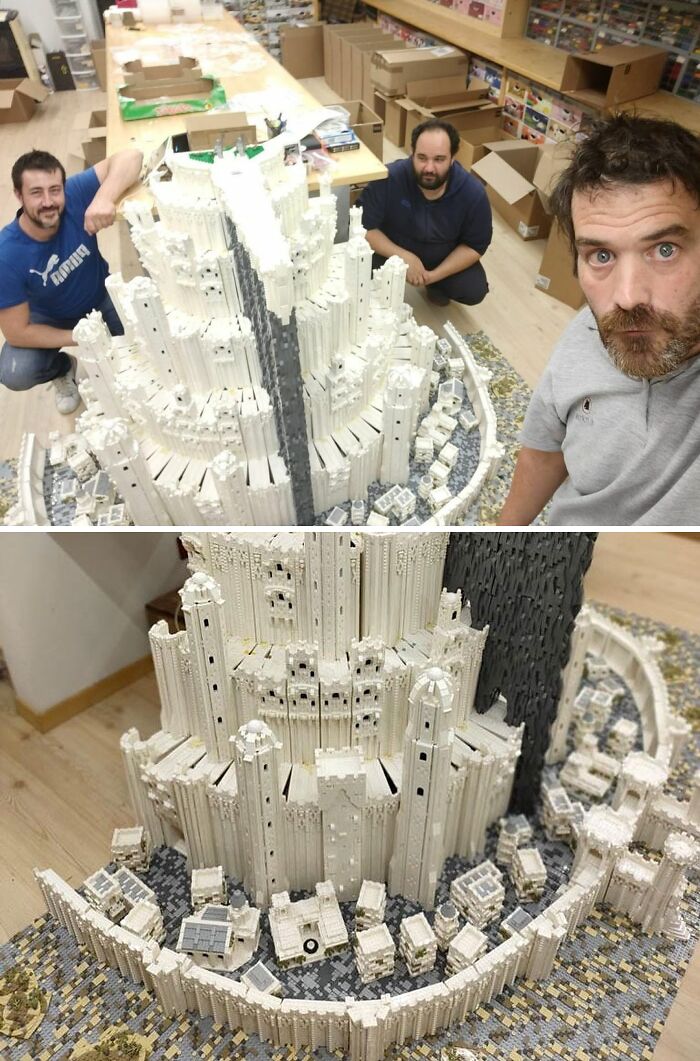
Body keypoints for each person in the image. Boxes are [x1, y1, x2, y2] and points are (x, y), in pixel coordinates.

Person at [499, 114, 700, 527]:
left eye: (664, 250)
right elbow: (545, 448)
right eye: (601, 256)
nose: (627, 298)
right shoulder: (586, 330)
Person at [0, 146, 143, 414]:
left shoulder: (74, 195)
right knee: (14, 372)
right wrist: (82, 337)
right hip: (50, 319)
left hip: (100, 298)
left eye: (54, 190)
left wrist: (103, 198)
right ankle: (63, 369)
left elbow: (131, 156)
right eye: (35, 193)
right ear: (18, 195)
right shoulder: (6, 256)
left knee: (142, 343)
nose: (48, 201)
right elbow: (17, 332)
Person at [358, 118, 492, 307]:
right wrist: (404, 257)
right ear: (412, 154)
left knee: (473, 290)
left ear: (453, 158)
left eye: (439, 159)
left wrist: (432, 277)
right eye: (422, 158)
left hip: (441, 256)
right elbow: (364, 227)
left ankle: (436, 286)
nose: (429, 168)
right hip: (392, 249)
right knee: (357, 263)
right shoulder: (389, 178)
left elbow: (474, 246)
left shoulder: (473, 194)